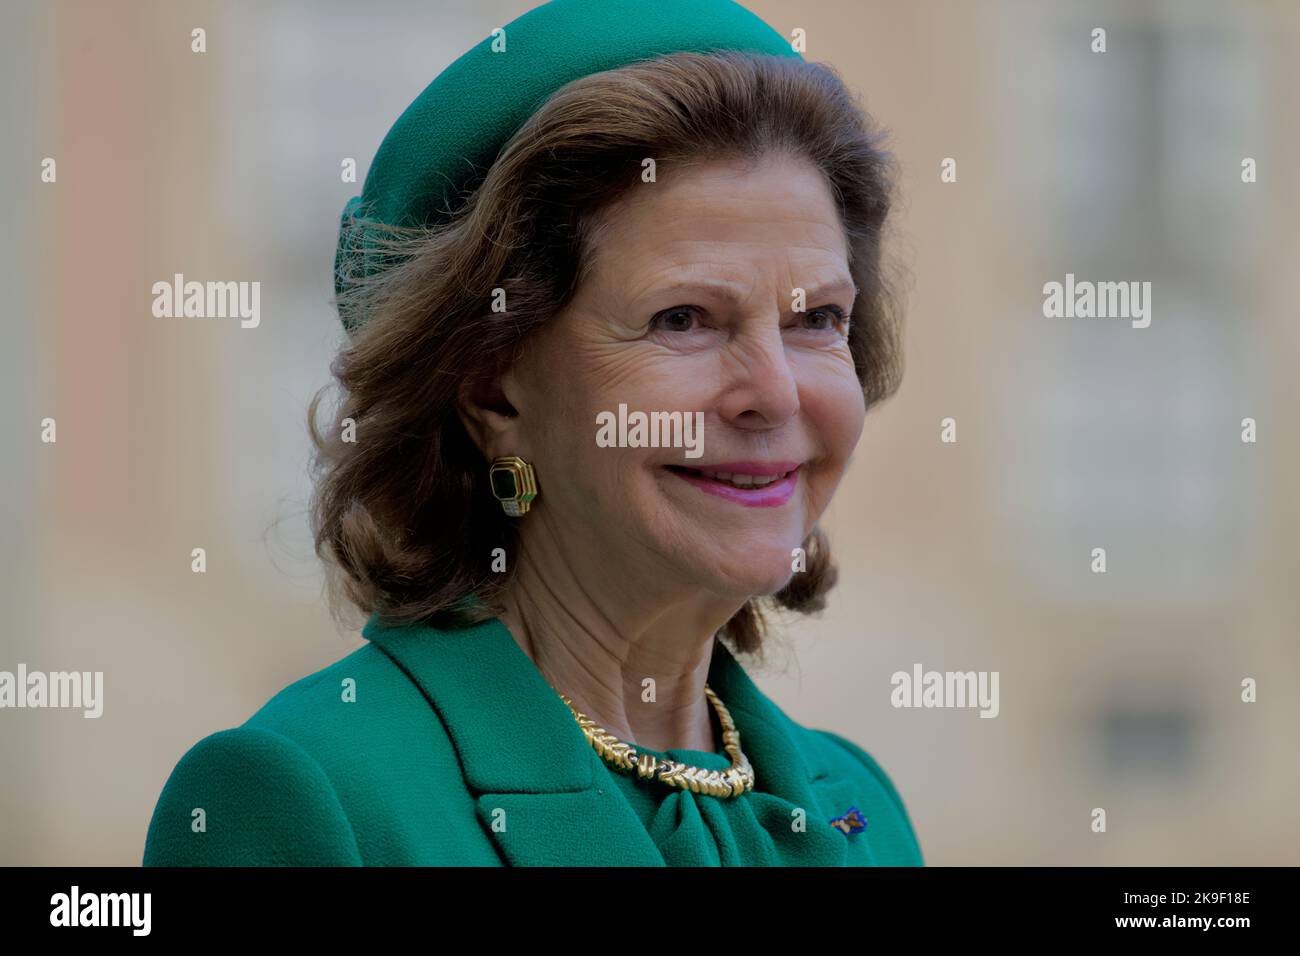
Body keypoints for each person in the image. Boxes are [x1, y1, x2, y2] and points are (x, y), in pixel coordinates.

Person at [143, 0, 921, 867]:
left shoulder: (863, 811)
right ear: (489, 384)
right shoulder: (310, 798)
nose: (774, 394)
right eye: (685, 318)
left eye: (817, 319)